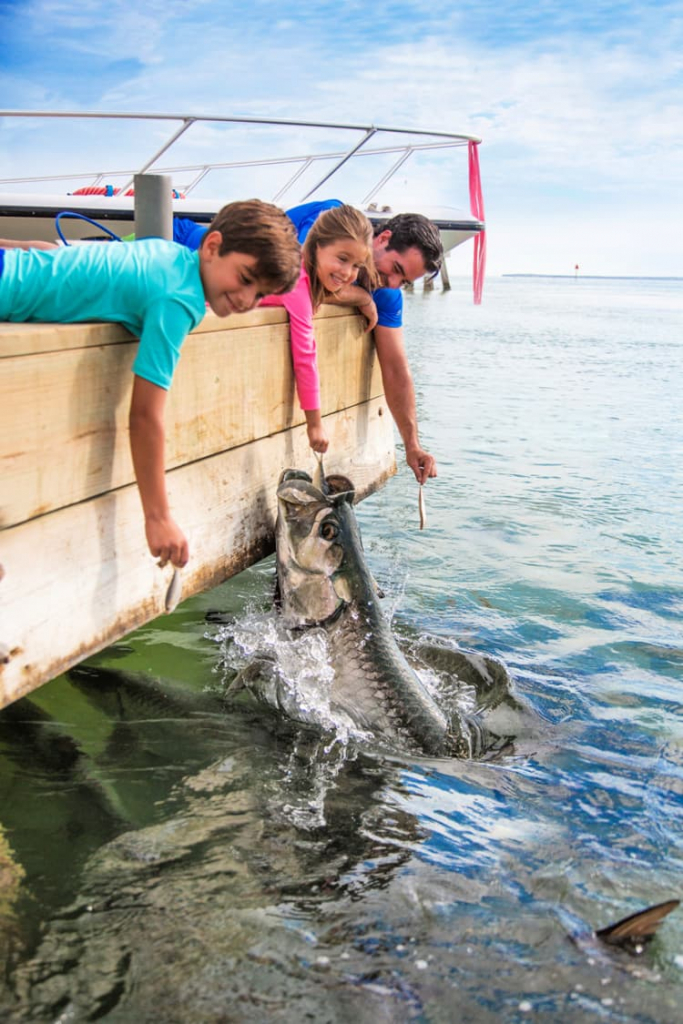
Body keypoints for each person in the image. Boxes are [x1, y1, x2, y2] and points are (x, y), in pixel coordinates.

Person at [0, 200, 301, 570]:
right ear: (212, 246)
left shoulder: (172, 257)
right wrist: (157, 518)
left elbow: (57, 258)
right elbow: (144, 416)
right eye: (244, 279)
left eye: (258, 294)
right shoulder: (179, 299)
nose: (245, 300)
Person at [285, 201, 443, 485]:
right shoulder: (333, 219)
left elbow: (396, 369)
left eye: (404, 281)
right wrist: (360, 297)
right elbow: (300, 276)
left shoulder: (386, 292)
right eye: (395, 268)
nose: (392, 283)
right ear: (382, 239)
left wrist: (412, 445)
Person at [259, 204, 378, 453]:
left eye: (357, 265)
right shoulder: (296, 283)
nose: (348, 273)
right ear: (316, 246)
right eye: (342, 259)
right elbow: (305, 357)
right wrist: (314, 425)